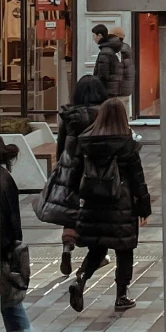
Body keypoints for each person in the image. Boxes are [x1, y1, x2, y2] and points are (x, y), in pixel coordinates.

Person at [69, 95, 151, 314]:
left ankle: (81, 278)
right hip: (121, 204)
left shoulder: (85, 141)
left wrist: (76, 200)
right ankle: (121, 296)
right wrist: (144, 207)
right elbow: (137, 178)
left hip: (94, 203)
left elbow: (74, 175)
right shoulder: (127, 143)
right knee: (124, 250)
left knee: (97, 247)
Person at [37, 72, 106, 277]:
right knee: (96, 212)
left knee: (70, 209)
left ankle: (67, 246)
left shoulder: (69, 115)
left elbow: (61, 146)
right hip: (95, 170)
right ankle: (96, 254)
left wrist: (61, 166)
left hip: (71, 169)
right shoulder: (102, 114)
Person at [0, 142, 36, 332]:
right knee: (11, 303)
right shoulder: (5, 176)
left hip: (0, 247)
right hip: (10, 246)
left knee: (9, 303)